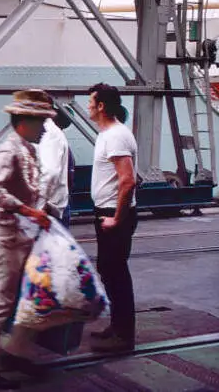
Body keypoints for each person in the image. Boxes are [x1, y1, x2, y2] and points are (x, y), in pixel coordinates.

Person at [0, 89, 55, 390]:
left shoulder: (27, 149)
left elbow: (25, 189)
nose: (45, 127)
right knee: (0, 301)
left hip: (21, 235)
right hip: (5, 237)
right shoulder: (9, 151)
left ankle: (15, 351)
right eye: (41, 121)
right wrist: (28, 210)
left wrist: (42, 210)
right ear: (24, 122)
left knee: (33, 295)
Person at [87, 83, 138, 353]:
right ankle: (117, 327)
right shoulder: (107, 135)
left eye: (91, 102)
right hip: (106, 213)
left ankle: (124, 336)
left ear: (102, 106)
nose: (88, 106)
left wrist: (117, 219)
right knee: (108, 270)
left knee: (116, 273)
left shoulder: (116, 136)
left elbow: (128, 181)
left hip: (113, 215)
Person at [37, 114, 71, 228]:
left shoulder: (49, 133)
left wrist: (39, 207)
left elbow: (50, 172)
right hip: (48, 208)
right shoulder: (45, 131)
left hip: (48, 211)